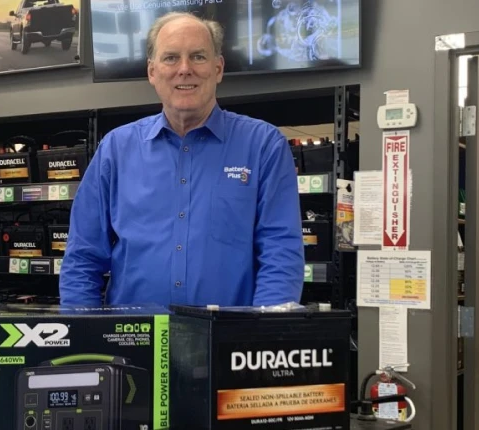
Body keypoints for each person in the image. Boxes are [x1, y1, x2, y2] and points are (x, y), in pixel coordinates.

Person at [59, 12, 304, 307]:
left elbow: (281, 254)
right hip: (133, 345)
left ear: (218, 68)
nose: (184, 69)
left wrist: (259, 340)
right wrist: (86, 338)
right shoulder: (116, 149)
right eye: (171, 58)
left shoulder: (263, 146)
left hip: (227, 344)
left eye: (198, 56)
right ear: (152, 71)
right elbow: (83, 258)